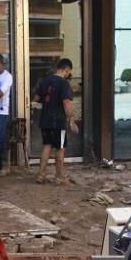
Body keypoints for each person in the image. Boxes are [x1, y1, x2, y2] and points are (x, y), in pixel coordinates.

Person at [33, 57, 79, 185]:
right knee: (60, 148)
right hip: (58, 121)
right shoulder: (63, 83)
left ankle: (41, 175)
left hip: (45, 120)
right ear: (66, 69)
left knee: (47, 146)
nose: (69, 74)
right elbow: (66, 102)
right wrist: (71, 120)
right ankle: (59, 176)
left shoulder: (45, 80)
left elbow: (36, 98)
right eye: (69, 72)